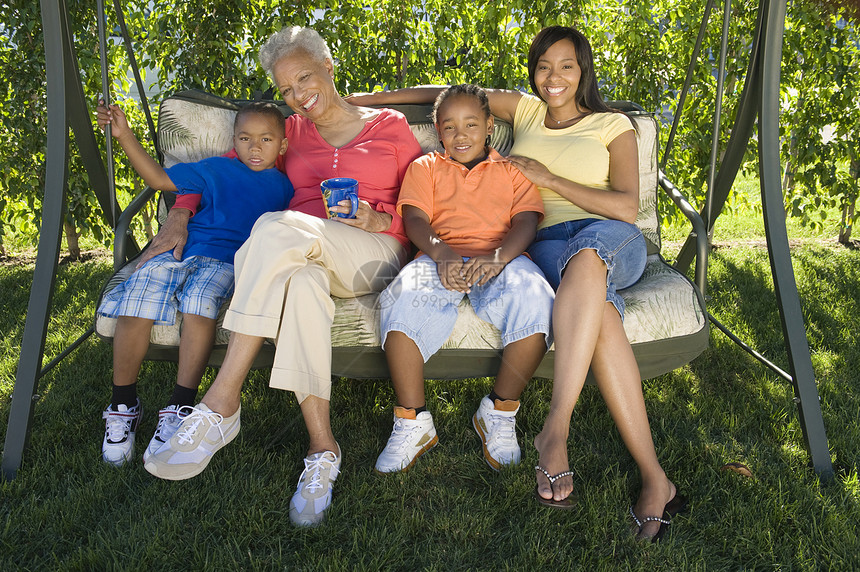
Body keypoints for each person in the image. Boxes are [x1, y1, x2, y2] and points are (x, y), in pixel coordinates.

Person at [349, 26, 684, 541]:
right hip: (548, 247)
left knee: (590, 261)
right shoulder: (524, 110)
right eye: (544, 66)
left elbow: (626, 205)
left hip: (607, 236)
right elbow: (439, 95)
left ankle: (556, 429)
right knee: (601, 316)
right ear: (534, 72)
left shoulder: (612, 124)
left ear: (583, 70)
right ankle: (656, 479)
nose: (554, 77)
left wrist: (548, 179)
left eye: (567, 66)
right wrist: (357, 102)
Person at [139, 26, 423, 527]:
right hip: (302, 253)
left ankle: (221, 400)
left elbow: (426, 198)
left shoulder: (388, 125)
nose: (297, 96)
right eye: (286, 89)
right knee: (301, 283)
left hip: (374, 251)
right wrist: (180, 212)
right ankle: (322, 451)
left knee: (275, 228)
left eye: (305, 79)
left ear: (328, 68)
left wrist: (385, 221)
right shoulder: (290, 131)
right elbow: (221, 170)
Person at [95, 101, 294, 467]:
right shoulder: (215, 168)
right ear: (234, 139)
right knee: (137, 300)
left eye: (266, 139)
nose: (254, 147)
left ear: (281, 145)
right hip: (181, 250)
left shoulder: (287, 187)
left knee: (199, 305)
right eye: (246, 138)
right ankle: (123, 403)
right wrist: (124, 135)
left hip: (228, 262)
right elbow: (158, 180)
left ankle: (180, 404)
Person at [375, 85, 553, 474]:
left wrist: (500, 257)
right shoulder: (425, 168)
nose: (461, 135)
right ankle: (412, 421)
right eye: (450, 126)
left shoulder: (511, 170)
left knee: (537, 299)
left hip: (502, 257)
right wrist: (440, 252)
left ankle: (499, 411)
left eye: (471, 124)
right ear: (438, 131)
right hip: (440, 255)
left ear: (489, 126)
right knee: (399, 300)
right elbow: (416, 219)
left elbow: (526, 220)